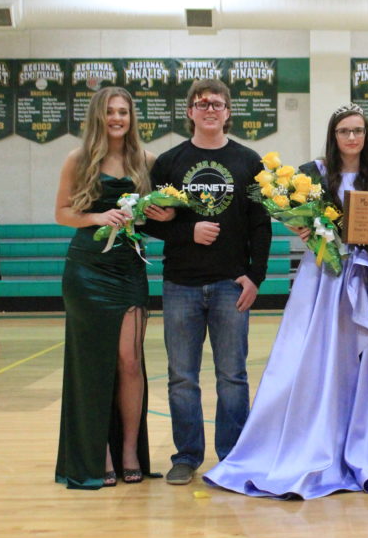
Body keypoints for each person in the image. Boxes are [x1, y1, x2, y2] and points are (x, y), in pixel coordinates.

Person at [203, 104, 368, 499]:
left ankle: (355, 442)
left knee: (358, 364)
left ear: (366, 136)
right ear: (333, 135)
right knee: (312, 359)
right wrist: (301, 226)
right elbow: (285, 212)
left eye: (358, 131)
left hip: (363, 274)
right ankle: (306, 438)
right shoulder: (313, 171)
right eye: (344, 131)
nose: (351, 138)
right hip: (321, 274)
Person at [142, 79, 272, 486]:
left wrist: (256, 277)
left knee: (232, 375)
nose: (210, 109)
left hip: (231, 284)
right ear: (190, 112)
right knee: (182, 375)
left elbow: (260, 225)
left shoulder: (248, 160)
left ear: (228, 112)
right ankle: (186, 455)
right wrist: (187, 232)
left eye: (217, 103)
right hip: (180, 283)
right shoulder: (168, 162)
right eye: (201, 104)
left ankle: (233, 456)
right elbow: (151, 223)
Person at [54, 86, 164, 489]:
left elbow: (161, 215)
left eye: (123, 112)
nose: (117, 118)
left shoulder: (148, 160)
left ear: (132, 117)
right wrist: (98, 217)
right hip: (87, 269)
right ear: (98, 117)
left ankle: (130, 449)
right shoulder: (78, 159)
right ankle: (97, 451)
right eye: (110, 112)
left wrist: (162, 213)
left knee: (130, 362)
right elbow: (62, 213)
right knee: (93, 364)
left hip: (129, 268)